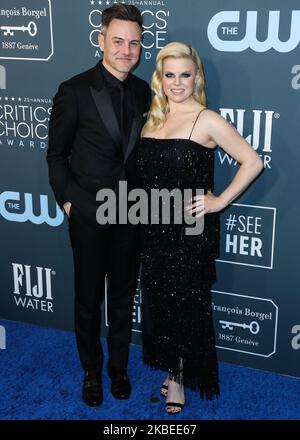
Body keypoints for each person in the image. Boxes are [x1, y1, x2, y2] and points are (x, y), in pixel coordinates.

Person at [138, 42, 263, 414]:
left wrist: (220, 201)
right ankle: (172, 366)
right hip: (153, 224)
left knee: (186, 305)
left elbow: (252, 161)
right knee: (161, 302)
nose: (177, 83)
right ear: (160, 78)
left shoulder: (206, 119)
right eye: (170, 74)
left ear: (197, 78)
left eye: (185, 75)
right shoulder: (153, 117)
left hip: (191, 229)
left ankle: (178, 382)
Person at [47, 4, 151, 407]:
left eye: (134, 43)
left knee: (124, 296)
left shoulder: (145, 91)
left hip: (132, 213)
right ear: (101, 40)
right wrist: (70, 203)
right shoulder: (74, 89)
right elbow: (56, 155)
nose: (126, 50)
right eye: (118, 41)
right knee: (88, 298)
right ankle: (91, 370)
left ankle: (118, 368)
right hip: (88, 213)